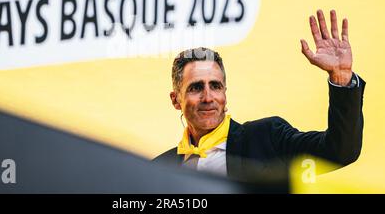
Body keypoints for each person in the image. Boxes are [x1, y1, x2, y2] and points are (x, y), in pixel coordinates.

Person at [153, 10, 365, 182]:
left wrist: (341, 78)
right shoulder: (158, 169)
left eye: (215, 86)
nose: (208, 97)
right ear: (175, 100)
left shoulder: (265, 138)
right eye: (196, 87)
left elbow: (339, 151)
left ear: (224, 93)